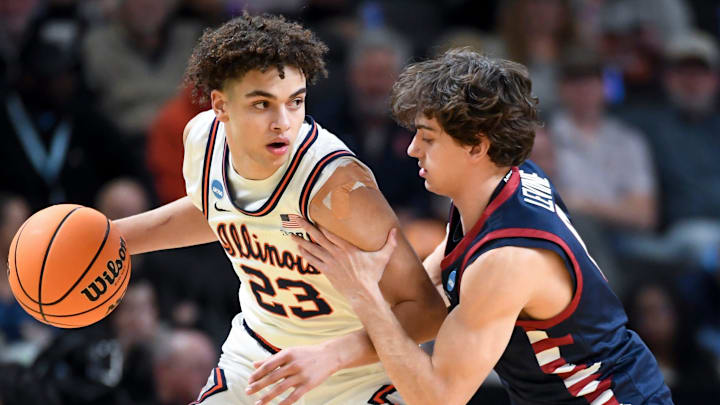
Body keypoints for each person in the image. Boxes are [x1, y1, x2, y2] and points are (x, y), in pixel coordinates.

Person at [274, 49, 672, 404]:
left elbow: (438, 398)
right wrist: (332, 349)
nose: (413, 148)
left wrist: (363, 295)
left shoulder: (507, 261)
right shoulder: (501, 185)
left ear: (477, 146)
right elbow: (429, 295)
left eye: (427, 138)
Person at [114, 12, 445, 405]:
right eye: (262, 104)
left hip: (354, 374)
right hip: (255, 356)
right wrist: (114, 238)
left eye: (296, 102)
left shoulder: (335, 185)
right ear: (221, 106)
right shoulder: (201, 140)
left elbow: (427, 312)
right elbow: (218, 211)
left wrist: (333, 355)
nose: (283, 123)